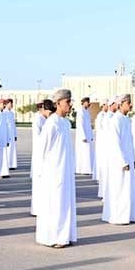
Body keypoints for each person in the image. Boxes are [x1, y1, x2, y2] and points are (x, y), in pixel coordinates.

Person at [35, 89, 77, 248]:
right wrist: (41, 174)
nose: (70, 104)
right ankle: (53, 237)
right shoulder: (51, 123)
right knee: (55, 205)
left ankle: (65, 235)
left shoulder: (65, 123)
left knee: (65, 203)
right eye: (67, 102)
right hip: (53, 173)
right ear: (58, 103)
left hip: (65, 170)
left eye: (70, 101)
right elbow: (42, 150)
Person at [101, 94, 135, 225]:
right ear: (121, 104)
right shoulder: (115, 120)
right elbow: (115, 143)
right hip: (119, 161)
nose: (130, 105)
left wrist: (133, 158)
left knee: (127, 190)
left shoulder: (126, 120)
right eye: (128, 103)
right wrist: (122, 161)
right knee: (118, 189)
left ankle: (128, 215)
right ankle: (117, 216)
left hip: (128, 158)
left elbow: (129, 141)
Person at [30, 99, 55, 216]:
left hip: (46, 154)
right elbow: (38, 138)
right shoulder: (38, 119)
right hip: (40, 154)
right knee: (38, 182)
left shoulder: (46, 119)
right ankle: (37, 209)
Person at [74, 97, 95, 176]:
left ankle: (87, 169)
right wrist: (83, 136)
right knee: (83, 153)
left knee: (88, 153)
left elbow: (88, 125)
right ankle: (82, 169)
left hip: (88, 136)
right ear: (83, 102)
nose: (88, 103)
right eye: (87, 102)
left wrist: (91, 135)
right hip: (83, 137)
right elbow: (80, 124)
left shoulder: (87, 112)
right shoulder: (80, 111)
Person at [6, 98, 18, 170]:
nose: (12, 105)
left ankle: (12, 164)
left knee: (12, 150)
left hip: (12, 133)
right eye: (11, 103)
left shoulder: (11, 113)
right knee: (8, 150)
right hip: (7, 134)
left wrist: (15, 135)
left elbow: (13, 125)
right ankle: (7, 164)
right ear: (7, 104)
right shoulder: (4, 113)